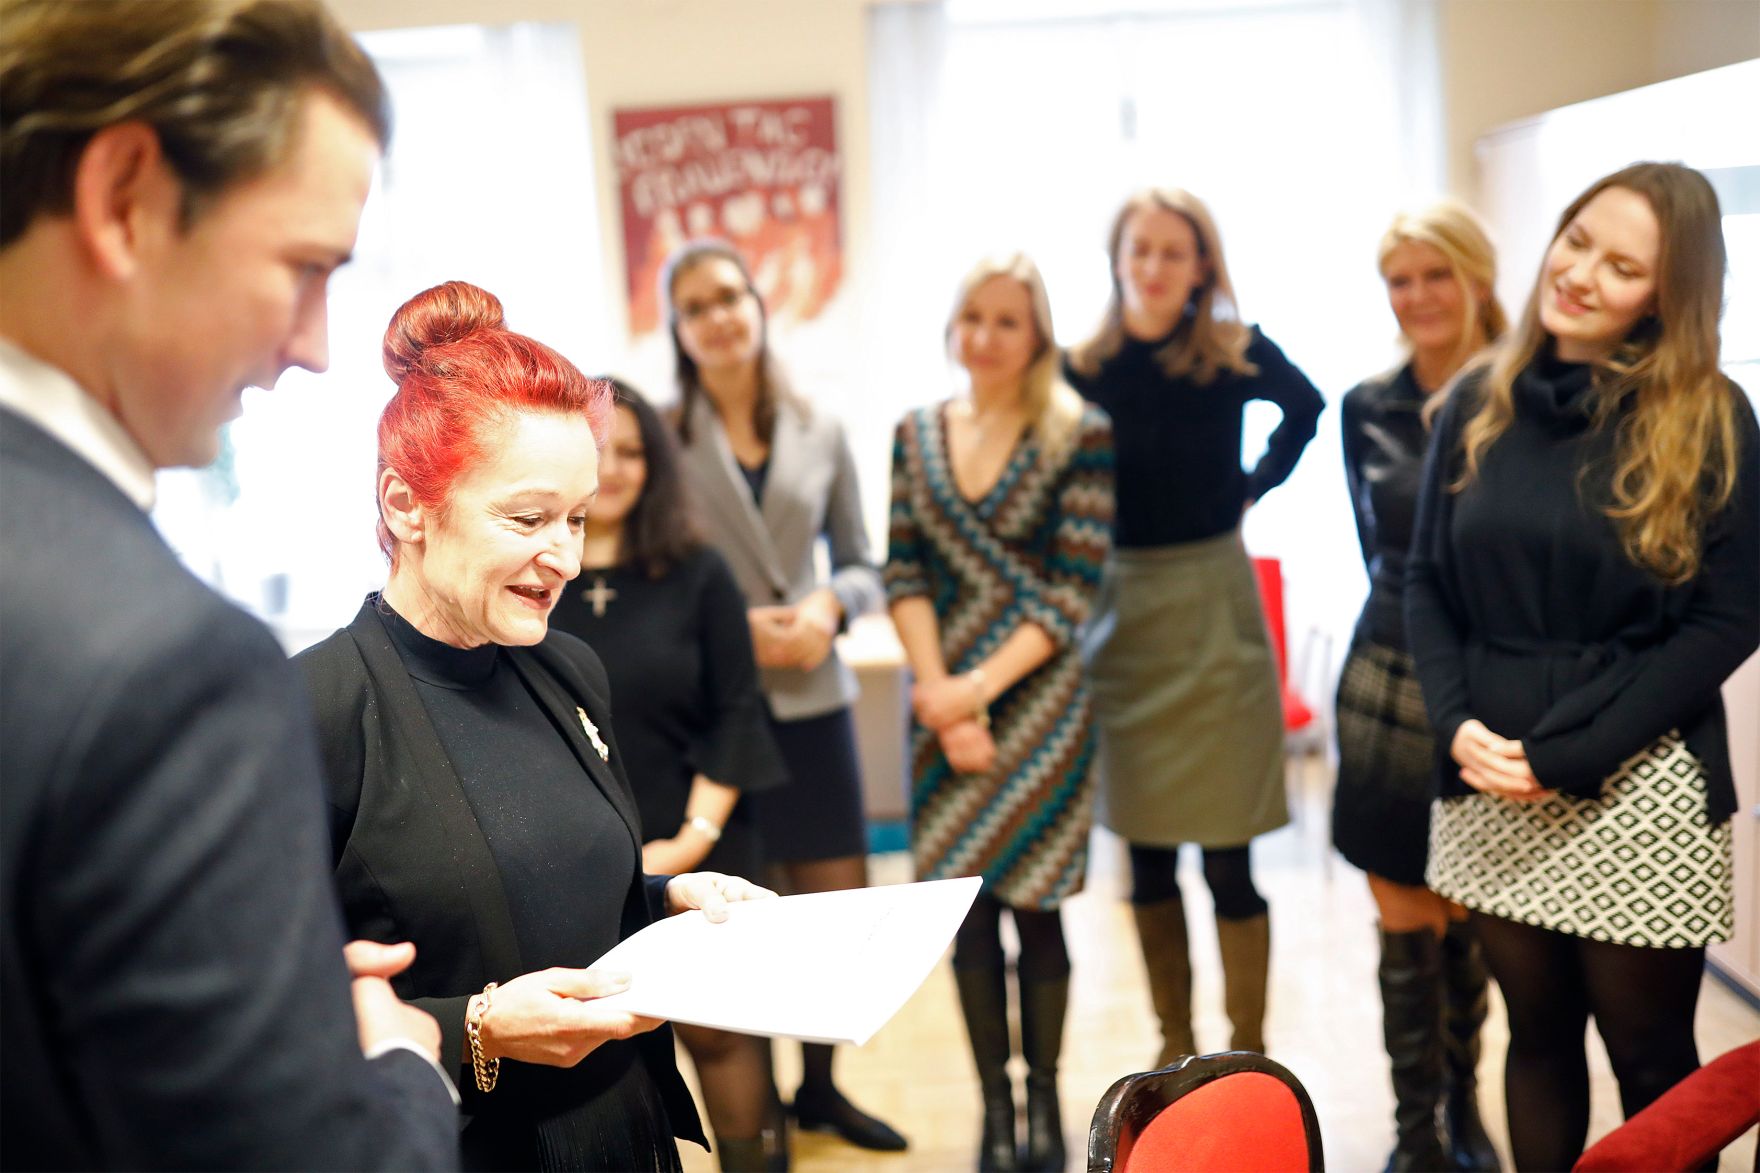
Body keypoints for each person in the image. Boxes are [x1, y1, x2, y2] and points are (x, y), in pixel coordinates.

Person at [0, 2, 461, 1167]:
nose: (312, 344)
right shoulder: (162, 665)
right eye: (305, 269)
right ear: (126, 201)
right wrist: (397, 1063)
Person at [295, 281, 774, 1172]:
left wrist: (670, 897)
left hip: (622, 1131)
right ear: (407, 506)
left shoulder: (567, 669)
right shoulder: (312, 713)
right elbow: (266, 1005)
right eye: (528, 518)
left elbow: (573, 891)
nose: (566, 556)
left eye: (579, 517)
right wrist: (476, 1027)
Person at [1407, 162, 1758, 1172]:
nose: (1580, 274)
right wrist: (1451, 724)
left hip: (1638, 782)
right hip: (1486, 778)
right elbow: (1424, 579)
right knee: (1535, 1037)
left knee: (1650, 1065)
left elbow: (1725, 620)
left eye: (1621, 265)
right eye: (1574, 241)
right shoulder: (1479, 395)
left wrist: (1569, 756)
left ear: (1668, 293)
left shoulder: (1708, 415)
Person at [1063, 187, 1325, 1063]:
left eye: (1174, 251)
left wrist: (1254, 483)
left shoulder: (1233, 351)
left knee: (1227, 859)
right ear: (1116, 257)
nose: (1153, 266)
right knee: (1146, 859)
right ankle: (1175, 1048)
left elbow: (1308, 407)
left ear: (1202, 265)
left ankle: (1247, 1052)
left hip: (1215, 608)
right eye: (1139, 248)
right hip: (1121, 616)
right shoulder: (1081, 366)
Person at [663, 239, 907, 1154]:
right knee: (746, 914)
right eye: (697, 306)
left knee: (832, 912)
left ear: (757, 304)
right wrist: (731, 627)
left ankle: (823, 1089)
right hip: (720, 710)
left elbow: (864, 562)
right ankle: (754, 1102)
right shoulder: (663, 435)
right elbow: (661, 569)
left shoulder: (819, 425)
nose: (719, 315)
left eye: (731, 294)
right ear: (680, 331)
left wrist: (831, 603)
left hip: (815, 699)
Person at [886, 254, 1114, 1173]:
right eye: (971, 316)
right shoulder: (914, 432)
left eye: (1006, 320)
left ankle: (1046, 1104)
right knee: (969, 915)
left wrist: (975, 691)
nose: (984, 335)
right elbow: (903, 569)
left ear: (1038, 336)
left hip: (1044, 709)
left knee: (1040, 912)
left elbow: (1073, 592)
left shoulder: (1078, 432)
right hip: (942, 704)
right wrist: (943, 697)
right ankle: (991, 1109)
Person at [550, 379, 792, 1172]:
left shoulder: (700, 572)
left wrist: (689, 840)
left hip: (705, 836)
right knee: (610, 1037)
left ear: (658, 462)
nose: (614, 467)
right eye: (599, 450)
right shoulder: (534, 577)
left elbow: (737, 711)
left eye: (631, 450)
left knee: (722, 1031)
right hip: (582, 859)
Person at [1334, 202, 1506, 1173]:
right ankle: (1414, 1131)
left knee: (1468, 910)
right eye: (1398, 280)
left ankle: (1466, 1108)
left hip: (1492, 676)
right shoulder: (1365, 405)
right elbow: (1377, 552)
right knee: (1401, 911)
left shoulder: (1530, 393)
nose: (1415, 297)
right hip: (1388, 672)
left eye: (1433, 274)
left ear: (1476, 278)